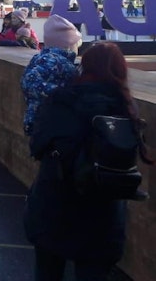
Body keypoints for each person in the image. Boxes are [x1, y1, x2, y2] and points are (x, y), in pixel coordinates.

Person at [24, 42, 154, 280]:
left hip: (56, 203)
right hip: (104, 210)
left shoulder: (61, 100)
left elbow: (38, 145)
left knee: (48, 272)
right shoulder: (126, 106)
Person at [20, 14, 81, 136]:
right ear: (68, 45)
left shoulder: (44, 58)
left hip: (41, 119)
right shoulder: (53, 60)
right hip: (48, 121)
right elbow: (30, 81)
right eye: (76, 44)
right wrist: (59, 93)